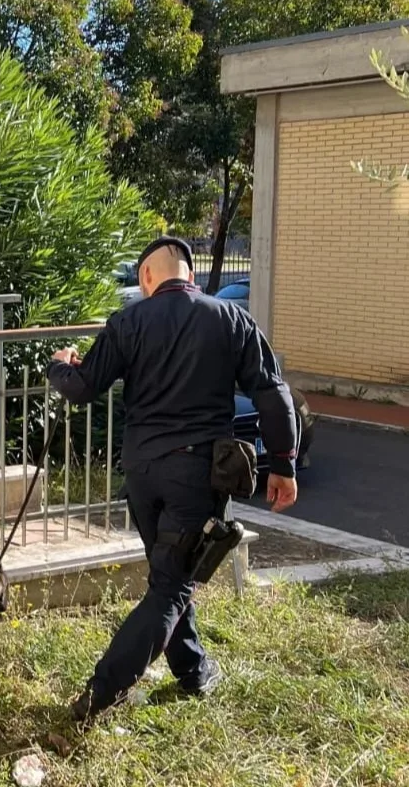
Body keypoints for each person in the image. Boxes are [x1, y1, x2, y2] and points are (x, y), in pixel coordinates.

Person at [46, 236, 299, 723]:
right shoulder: (229, 319)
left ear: (146, 278)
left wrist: (61, 363)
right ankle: (103, 691)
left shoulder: (128, 322)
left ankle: (193, 670)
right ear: (191, 274)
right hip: (198, 476)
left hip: (141, 474)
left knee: (171, 577)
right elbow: (270, 390)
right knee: (172, 586)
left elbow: (80, 387)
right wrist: (283, 463)